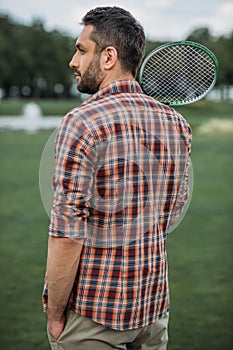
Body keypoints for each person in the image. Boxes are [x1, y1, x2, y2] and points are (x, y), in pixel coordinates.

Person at [42, 6, 192, 350]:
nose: (73, 61)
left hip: (94, 318)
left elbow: (67, 236)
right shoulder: (177, 125)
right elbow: (168, 216)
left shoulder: (81, 123)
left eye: (81, 50)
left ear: (108, 57)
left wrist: (54, 314)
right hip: (153, 313)